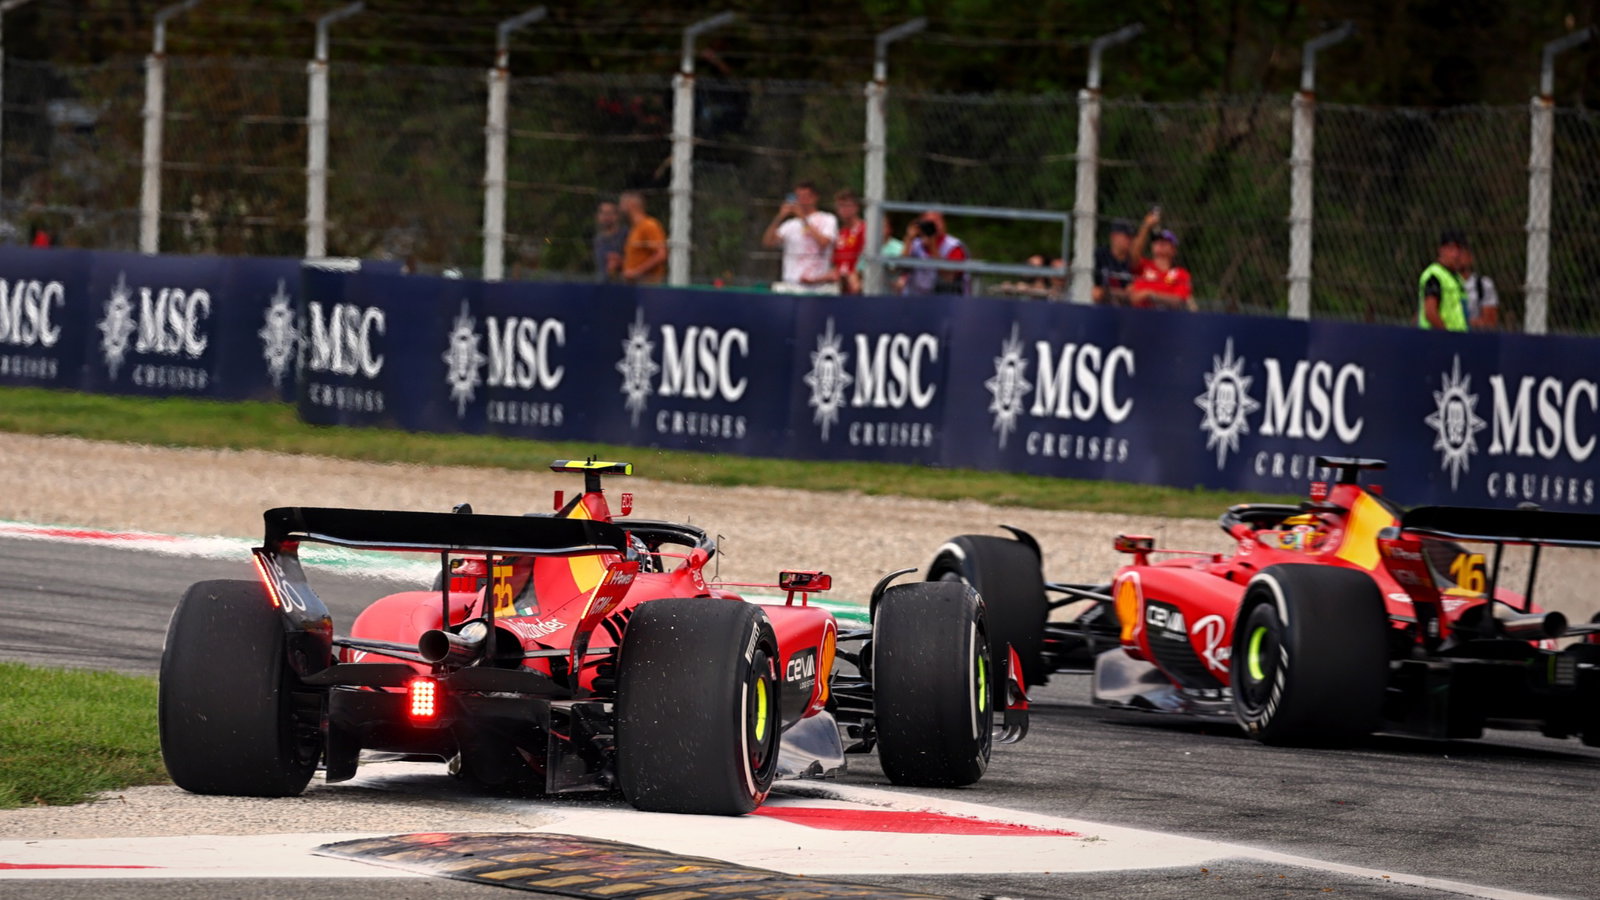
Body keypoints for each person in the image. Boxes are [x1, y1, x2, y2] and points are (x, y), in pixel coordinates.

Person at [762, 181, 838, 294]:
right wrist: (779, 217)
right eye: (798, 197)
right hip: (791, 284)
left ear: (815, 198)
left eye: (805, 197)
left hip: (817, 286)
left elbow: (824, 242)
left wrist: (803, 218)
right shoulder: (790, 225)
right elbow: (768, 242)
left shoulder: (828, 219)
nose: (801, 201)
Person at [1092, 213, 1156, 305]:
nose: (1130, 240)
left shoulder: (1130, 261)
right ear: (1114, 236)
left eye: (1131, 237)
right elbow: (1094, 291)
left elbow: (1130, 293)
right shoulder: (1100, 255)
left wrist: (1146, 227)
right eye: (1126, 237)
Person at [901, 210, 969, 296]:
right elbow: (902, 268)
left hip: (945, 299)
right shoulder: (915, 244)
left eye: (936, 221)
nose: (933, 226)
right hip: (915, 298)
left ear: (943, 223)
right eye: (928, 223)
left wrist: (932, 247)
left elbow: (948, 277)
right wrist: (909, 239)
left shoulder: (954, 246)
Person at [1128, 228, 1194, 310]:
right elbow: (1133, 255)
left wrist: (1150, 295)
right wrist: (1146, 226)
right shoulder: (1143, 265)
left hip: (1165, 318)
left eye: (1165, 241)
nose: (1159, 243)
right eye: (1156, 241)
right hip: (1136, 313)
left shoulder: (1180, 273)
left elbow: (1179, 300)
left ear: (1174, 250)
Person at [1418, 230, 1468, 331]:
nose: (1456, 254)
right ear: (1441, 250)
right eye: (1451, 249)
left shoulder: (1457, 278)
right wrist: (1446, 335)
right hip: (1436, 340)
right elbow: (1430, 312)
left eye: (1459, 249)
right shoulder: (1434, 275)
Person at [619, 191, 667, 284]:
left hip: (648, 284)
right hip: (635, 285)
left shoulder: (649, 225)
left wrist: (637, 272)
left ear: (631, 205)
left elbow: (661, 254)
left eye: (623, 203)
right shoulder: (635, 228)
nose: (620, 207)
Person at [831, 189, 866, 293]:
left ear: (856, 207)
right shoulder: (840, 233)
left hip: (859, 284)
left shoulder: (864, 228)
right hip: (841, 284)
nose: (843, 209)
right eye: (840, 206)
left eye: (847, 205)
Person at [1459, 247, 1498, 330]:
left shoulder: (1483, 284)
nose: (1458, 257)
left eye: (1462, 254)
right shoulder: (1441, 283)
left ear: (1470, 258)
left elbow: (1490, 322)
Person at [591, 200, 628, 283]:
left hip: (623, 284)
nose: (605, 217)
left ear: (616, 216)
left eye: (608, 213)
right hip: (602, 284)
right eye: (602, 213)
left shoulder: (626, 234)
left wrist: (621, 261)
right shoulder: (598, 239)